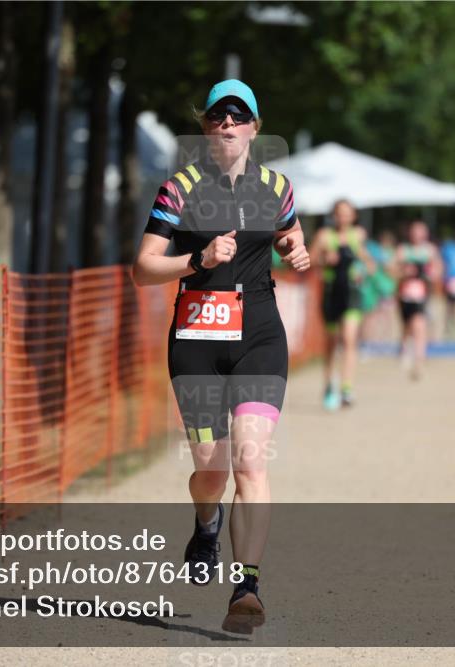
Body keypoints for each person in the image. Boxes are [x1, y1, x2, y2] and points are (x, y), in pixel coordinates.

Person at [132, 79, 309, 633]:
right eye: (217, 117)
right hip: (197, 340)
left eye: (239, 116)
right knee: (210, 472)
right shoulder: (179, 188)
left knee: (250, 461)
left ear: (255, 126)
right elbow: (142, 268)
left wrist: (294, 247)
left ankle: (247, 586)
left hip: (258, 333)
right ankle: (206, 524)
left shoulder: (276, 186)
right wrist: (197, 258)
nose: (227, 125)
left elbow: (289, 231)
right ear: (206, 127)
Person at [309, 200, 374, 410]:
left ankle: (347, 387)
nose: (343, 217)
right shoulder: (324, 236)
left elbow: (370, 264)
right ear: (333, 216)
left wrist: (364, 271)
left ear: (353, 216)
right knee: (331, 341)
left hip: (352, 294)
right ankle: (329, 383)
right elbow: (308, 260)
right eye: (339, 213)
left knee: (348, 338)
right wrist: (325, 260)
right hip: (331, 292)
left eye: (347, 213)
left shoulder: (359, 235)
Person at [392, 220, 440, 381]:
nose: (417, 235)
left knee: (419, 326)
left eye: (421, 231)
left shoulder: (430, 251)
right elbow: (392, 271)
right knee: (407, 327)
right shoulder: (402, 251)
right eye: (415, 231)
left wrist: (429, 274)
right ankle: (404, 348)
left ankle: (419, 363)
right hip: (404, 296)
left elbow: (438, 271)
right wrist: (404, 272)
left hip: (422, 296)